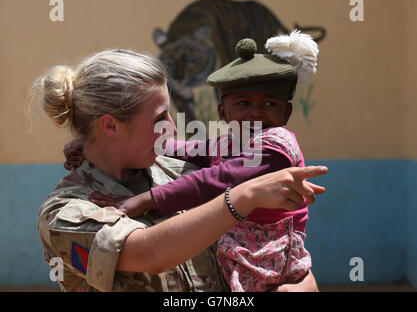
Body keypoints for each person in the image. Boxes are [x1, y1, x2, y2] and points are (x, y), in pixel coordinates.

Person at [35, 48, 327, 292]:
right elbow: (151, 254)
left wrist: (303, 286)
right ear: (110, 125)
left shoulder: (180, 173)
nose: (172, 129)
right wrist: (243, 196)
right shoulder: (66, 211)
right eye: (159, 118)